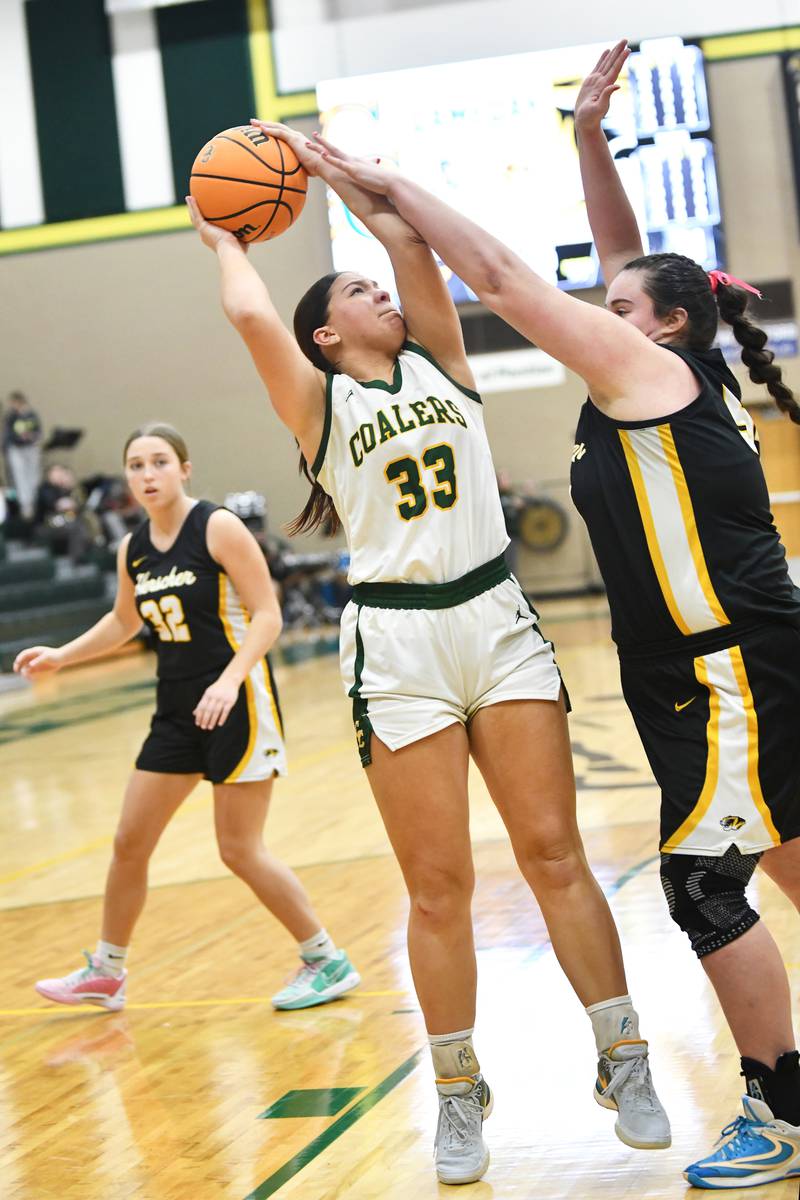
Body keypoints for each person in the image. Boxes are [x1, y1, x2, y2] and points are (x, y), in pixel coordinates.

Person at [315, 43, 800, 1189]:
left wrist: (392, 190)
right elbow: (635, 260)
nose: (601, 308)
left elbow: (496, 274)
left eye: (619, 305)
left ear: (659, 326)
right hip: (727, 661)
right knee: (784, 854)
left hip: (722, 667)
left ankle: (779, 1108)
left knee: (705, 885)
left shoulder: (641, 374)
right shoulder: (675, 365)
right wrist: (587, 140)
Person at [187, 122, 671, 1188]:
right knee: (439, 884)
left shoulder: (443, 360)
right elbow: (252, 314)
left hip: (494, 617)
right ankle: (457, 1091)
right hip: (397, 642)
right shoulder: (318, 403)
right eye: (356, 294)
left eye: (376, 287)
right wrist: (226, 237)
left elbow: (412, 244)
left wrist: (331, 177)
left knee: (553, 854)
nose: (380, 298)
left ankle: (623, 1057)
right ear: (325, 336)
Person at [14, 422, 360, 1014]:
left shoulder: (217, 527)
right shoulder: (135, 547)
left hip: (237, 701)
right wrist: (63, 656)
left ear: (184, 468)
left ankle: (326, 958)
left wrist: (229, 681)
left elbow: (268, 615)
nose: (147, 475)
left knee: (239, 849)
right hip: (175, 709)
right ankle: (107, 970)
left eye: (158, 463)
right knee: (129, 841)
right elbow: (126, 623)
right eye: (135, 466)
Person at [3, 390, 42, 523]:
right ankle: (25, 505)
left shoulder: (32, 415)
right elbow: (8, 434)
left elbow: (38, 431)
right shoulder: (11, 417)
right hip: (17, 449)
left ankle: (34, 502)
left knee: (32, 476)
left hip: (30, 448)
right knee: (20, 477)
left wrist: (32, 437)